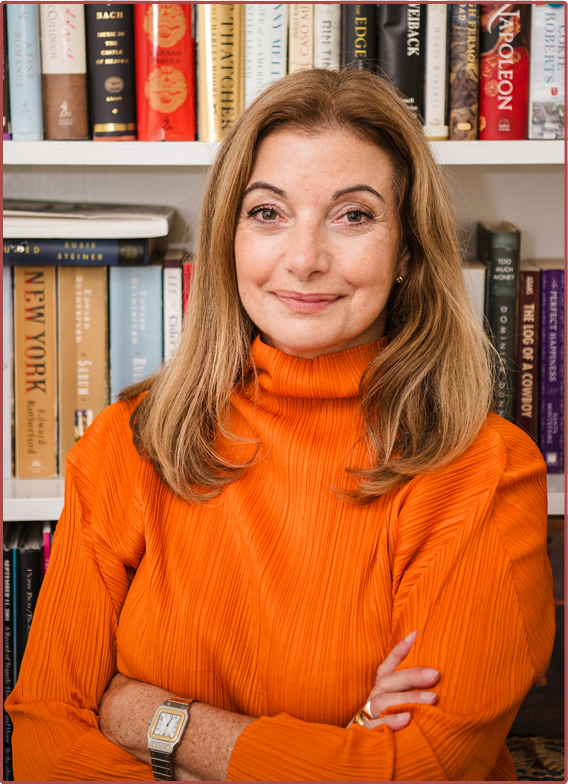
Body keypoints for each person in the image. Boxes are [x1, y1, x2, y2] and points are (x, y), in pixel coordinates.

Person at [6, 68, 554, 782]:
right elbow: (49, 739)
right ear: (229, 237)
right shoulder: (128, 443)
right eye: (267, 212)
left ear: (409, 252)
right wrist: (341, 743)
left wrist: (151, 720)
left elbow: (421, 768)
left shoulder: (482, 471)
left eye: (353, 215)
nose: (304, 258)